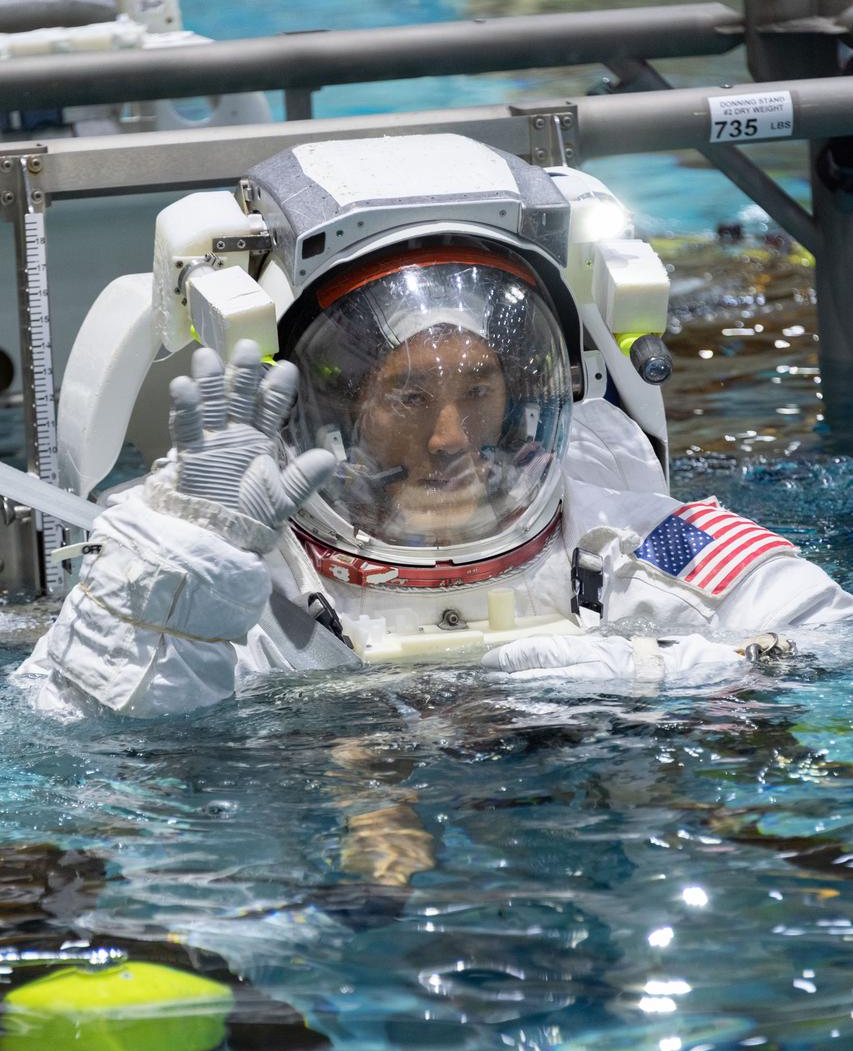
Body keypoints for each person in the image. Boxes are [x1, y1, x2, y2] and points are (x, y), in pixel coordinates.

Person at [12, 135, 853, 718]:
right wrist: (188, 560)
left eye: (478, 390)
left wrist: (639, 672)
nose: (452, 439)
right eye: (409, 398)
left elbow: (831, 651)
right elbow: (78, 733)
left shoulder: (641, 545)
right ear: (328, 405)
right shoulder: (232, 577)